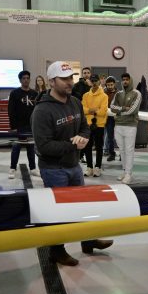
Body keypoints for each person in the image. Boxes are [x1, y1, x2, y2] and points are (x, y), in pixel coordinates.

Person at [31, 61, 113, 266]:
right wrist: (72, 145)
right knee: (59, 213)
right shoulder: (42, 111)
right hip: (54, 169)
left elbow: (85, 127)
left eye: (71, 78)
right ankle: (57, 250)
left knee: (82, 207)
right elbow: (43, 146)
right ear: (51, 81)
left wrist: (83, 138)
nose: (69, 82)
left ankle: (88, 241)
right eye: (64, 79)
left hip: (74, 165)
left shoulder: (75, 102)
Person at [7, 70, 39, 179]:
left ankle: (33, 168)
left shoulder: (34, 94)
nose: (26, 80)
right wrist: (13, 127)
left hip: (31, 125)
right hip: (19, 126)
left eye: (27, 78)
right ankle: (12, 168)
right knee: (16, 147)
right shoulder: (14, 93)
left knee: (31, 147)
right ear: (20, 80)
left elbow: (38, 110)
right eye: (23, 78)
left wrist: (36, 125)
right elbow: (11, 111)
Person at [111, 73, 142, 183]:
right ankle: (125, 171)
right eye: (123, 79)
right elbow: (112, 107)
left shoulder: (137, 93)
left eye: (127, 79)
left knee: (129, 150)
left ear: (130, 80)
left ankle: (129, 174)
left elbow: (133, 110)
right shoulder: (118, 94)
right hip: (118, 126)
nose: (125, 81)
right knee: (122, 150)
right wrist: (124, 108)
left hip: (130, 125)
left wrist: (118, 113)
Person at [81, 74, 109, 177]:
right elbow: (83, 109)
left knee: (98, 147)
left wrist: (90, 111)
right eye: (92, 81)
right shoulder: (85, 95)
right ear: (90, 82)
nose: (94, 83)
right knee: (87, 147)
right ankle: (89, 167)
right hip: (87, 124)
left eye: (96, 81)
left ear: (99, 81)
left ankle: (98, 167)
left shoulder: (104, 96)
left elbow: (103, 111)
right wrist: (93, 110)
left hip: (99, 124)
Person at [103, 76, 118, 161]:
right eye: (108, 85)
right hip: (108, 118)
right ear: (106, 85)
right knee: (110, 137)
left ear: (114, 84)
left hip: (118, 117)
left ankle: (122, 154)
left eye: (111, 85)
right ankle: (111, 153)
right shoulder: (103, 93)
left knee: (120, 137)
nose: (110, 86)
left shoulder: (119, 93)